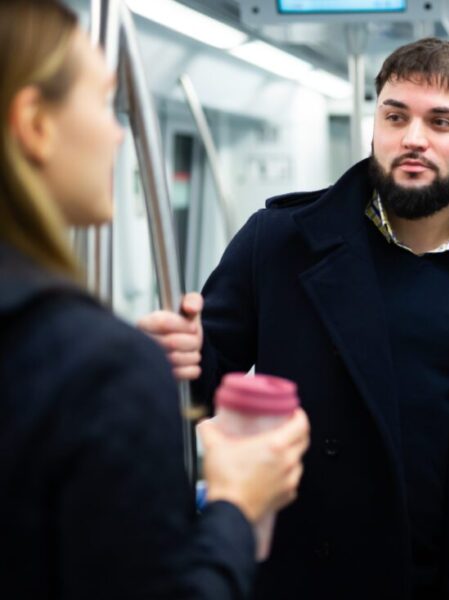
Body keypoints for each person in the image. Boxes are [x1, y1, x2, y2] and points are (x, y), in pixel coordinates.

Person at [139, 37, 449, 598]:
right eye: (396, 116)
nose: (413, 139)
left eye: (441, 121)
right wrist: (160, 361)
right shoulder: (280, 243)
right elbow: (201, 380)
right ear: (375, 124)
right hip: (315, 572)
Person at [0, 1, 310, 597]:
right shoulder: (98, 369)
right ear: (36, 124)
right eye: (103, 103)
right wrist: (238, 506)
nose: (119, 133)